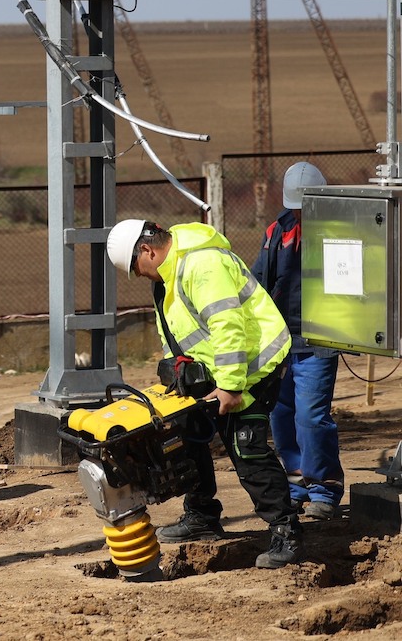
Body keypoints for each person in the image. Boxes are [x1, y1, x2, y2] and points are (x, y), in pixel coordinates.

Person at [106, 218, 302, 569]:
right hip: (217, 370)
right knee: (187, 435)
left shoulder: (202, 264)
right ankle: (202, 515)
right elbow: (172, 333)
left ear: (147, 250)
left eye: (137, 269)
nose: (140, 276)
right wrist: (177, 373)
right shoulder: (167, 278)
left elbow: (229, 327)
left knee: (246, 447)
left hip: (254, 365)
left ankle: (286, 530)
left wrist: (229, 386)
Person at [252, 161, 344, 521]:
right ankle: (296, 486)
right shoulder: (277, 231)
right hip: (280, 342)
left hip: (319, 341)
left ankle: (324, 489)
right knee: (282, 416)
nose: (302, 212)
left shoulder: (340, 231)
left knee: (311, 418)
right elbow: (259, 280)